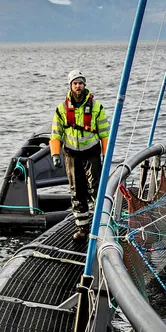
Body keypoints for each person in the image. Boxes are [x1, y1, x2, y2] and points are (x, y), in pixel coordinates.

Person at [49, 69, 110, 241]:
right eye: (75, 83)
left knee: (96, 190)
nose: (78, 86)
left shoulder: (97, 107)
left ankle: (102, 227)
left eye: (81, 83)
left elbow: (105, 134)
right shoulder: (61, 110)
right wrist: (55, 154)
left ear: (85, 85)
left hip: (91, 153)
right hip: (71, 155)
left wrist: (106, 155)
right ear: (70, 86)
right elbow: (55, 134)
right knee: (77, 192)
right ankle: (82, 229)